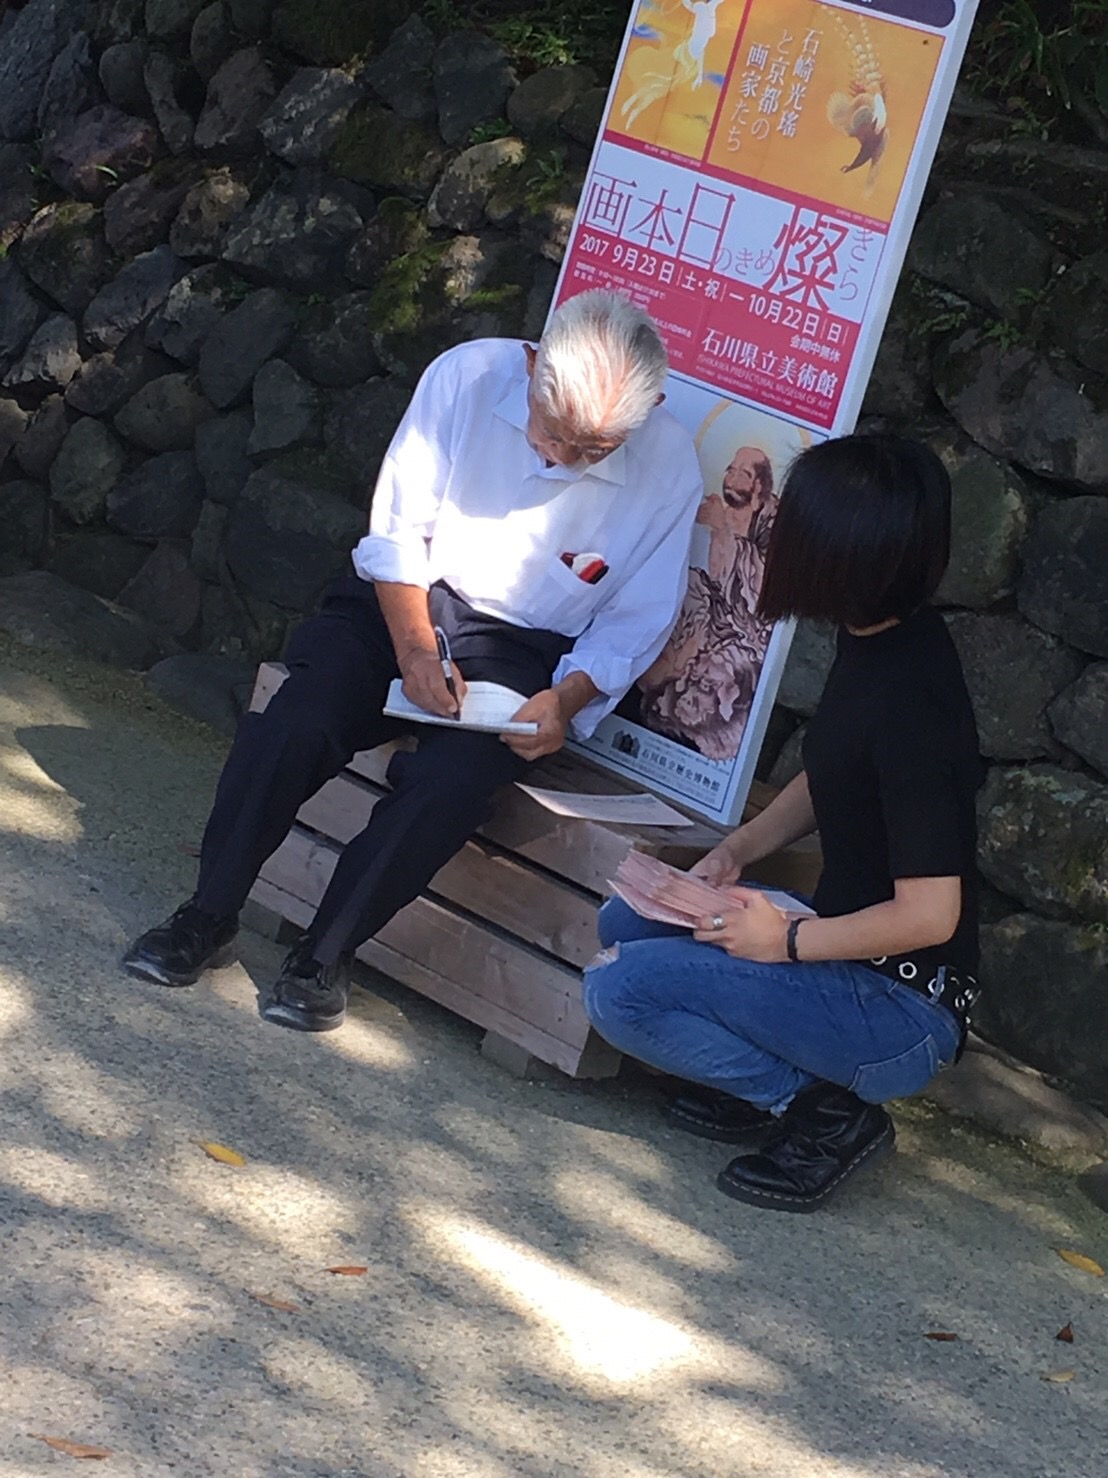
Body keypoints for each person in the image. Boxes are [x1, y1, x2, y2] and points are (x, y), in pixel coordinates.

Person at [123, 291, 704, 1031]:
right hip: (405, 599)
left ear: (645, 416)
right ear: (531, 367)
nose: (564, 458)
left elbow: (634, 620)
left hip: (526, 647)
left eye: (595, 450)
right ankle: (206, 913)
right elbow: (397, 531)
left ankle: (324, 955)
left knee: (449, 784)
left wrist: (565, 700)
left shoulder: (668, 462)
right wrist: (414, 649)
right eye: (555, 433)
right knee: (296, 721)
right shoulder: (469, 376)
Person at [584, 433, 983, 1212]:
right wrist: (736, 851)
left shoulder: (914, 705)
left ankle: (818, 1113)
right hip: (844, 962)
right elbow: (832, 770)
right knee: (627, 917)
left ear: (839, 555)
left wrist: (787, 942)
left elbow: (932, 914)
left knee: (622, 996)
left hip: (900, 1007)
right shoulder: (882, 635)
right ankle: (779, 1075)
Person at [636, 444, 777, 760]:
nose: (732, 479)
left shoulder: (771, 521)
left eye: (744, 474)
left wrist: (721, 529)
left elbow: (761, 590)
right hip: (711, 600)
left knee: (714, 670)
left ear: (759, 485)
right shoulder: (719, 506)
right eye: (731, 469)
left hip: (746, 625)